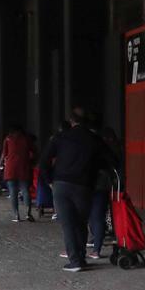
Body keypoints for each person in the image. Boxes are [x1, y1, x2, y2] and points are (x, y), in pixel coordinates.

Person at [40, 108, 117, 272]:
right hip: (84, 186)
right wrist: (96, 168)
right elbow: (112, 160)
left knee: (68, 224)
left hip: (61, 184)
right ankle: (81, 258)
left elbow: (44, 161)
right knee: (81, 222)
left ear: (71, 120)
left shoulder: (60, 137)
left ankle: (74, 261)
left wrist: (49, 181)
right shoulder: (95, 139)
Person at [88, 127, 122, 260]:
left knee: (93, 216)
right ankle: (96, 246)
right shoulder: (106, 148)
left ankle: (95, 244)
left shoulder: (90, 149)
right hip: (102, 184)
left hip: (91, 185)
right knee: (98, 216)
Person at [2, 126, 36, 223]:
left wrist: (0, 164)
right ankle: (28, 213)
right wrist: (32, 161)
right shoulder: (26, 139)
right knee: (25, 190)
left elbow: (4, 154)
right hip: (23, 166)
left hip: (10, 167)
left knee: (13, 191)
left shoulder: (8, 139)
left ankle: (16, 215)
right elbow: (34, 151)